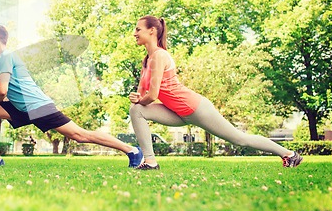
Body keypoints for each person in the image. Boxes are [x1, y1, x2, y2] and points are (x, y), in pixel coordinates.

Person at [128, 16, 303, 170]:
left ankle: (288, 154)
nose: (134, 33)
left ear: (152, 31)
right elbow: (142, 95)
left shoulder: (160, 55)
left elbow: (151, 96)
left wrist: (142, 99)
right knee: (136, 110)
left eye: (138, 29)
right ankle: (150, 161)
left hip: (195, 108)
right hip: (176, 111)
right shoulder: (146, 60)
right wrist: (137, 98)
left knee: (239, 139)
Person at [0, 25, 143, 167]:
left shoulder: (5, 57)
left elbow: (2, 90)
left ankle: (133, 151)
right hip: (23, 108)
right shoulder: (4, 59)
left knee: (79, 135)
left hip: (38, 107)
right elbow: (16, 88)